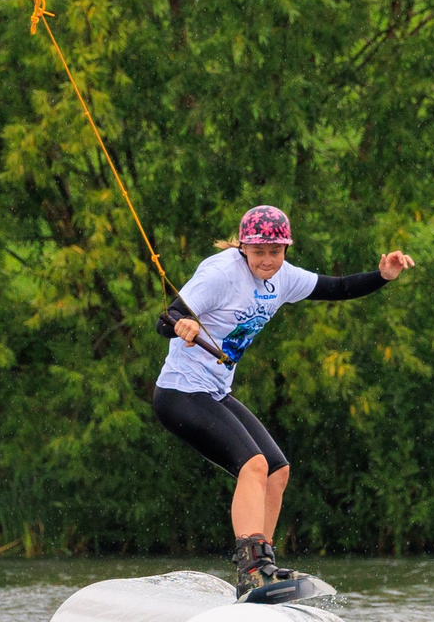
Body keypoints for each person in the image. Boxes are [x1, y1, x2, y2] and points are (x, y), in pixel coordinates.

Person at [152, 205, 414, 595]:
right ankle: (251, 570)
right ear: (243, 247)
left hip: (214, 391)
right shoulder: (221, 274)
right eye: (258, 252)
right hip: (180, 393)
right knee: (253, 465)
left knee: (277, 470)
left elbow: (337, 288)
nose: (267, 260)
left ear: (285, 249)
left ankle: (264, 566)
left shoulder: (284, 277)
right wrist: (182, 324)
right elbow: (166, 318)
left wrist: (383, 276)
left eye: (275, 252)